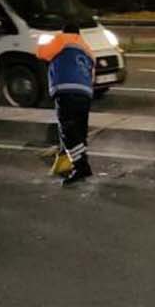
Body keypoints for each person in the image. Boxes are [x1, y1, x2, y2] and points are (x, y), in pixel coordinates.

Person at [38, 22, 96, 186]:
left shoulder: (62, 39)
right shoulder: (86, 47)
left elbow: (42, 53)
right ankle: (80, 164)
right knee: (80, 131)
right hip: (85, 93)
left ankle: (81, 167)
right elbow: (92, 72)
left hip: (66, 89)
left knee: (68, 132)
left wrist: (44, 41)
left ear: (65, 32)